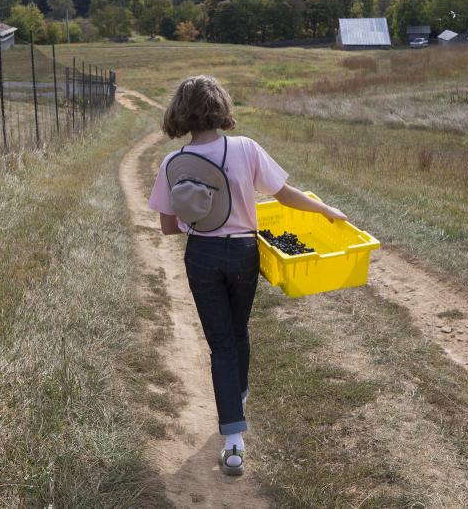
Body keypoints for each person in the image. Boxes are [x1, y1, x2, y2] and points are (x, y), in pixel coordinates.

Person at [148, 75, 347, 476]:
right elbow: (284, 194)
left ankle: (234, 443)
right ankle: (237, 397)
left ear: (180, 113)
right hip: (243, 253)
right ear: (220, 106)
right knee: (239, 334)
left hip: (201, 255)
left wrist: (199, 223)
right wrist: (325, 210)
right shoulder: (246, 148)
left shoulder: (172, 163)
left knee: (220, 344)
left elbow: (168, 228)